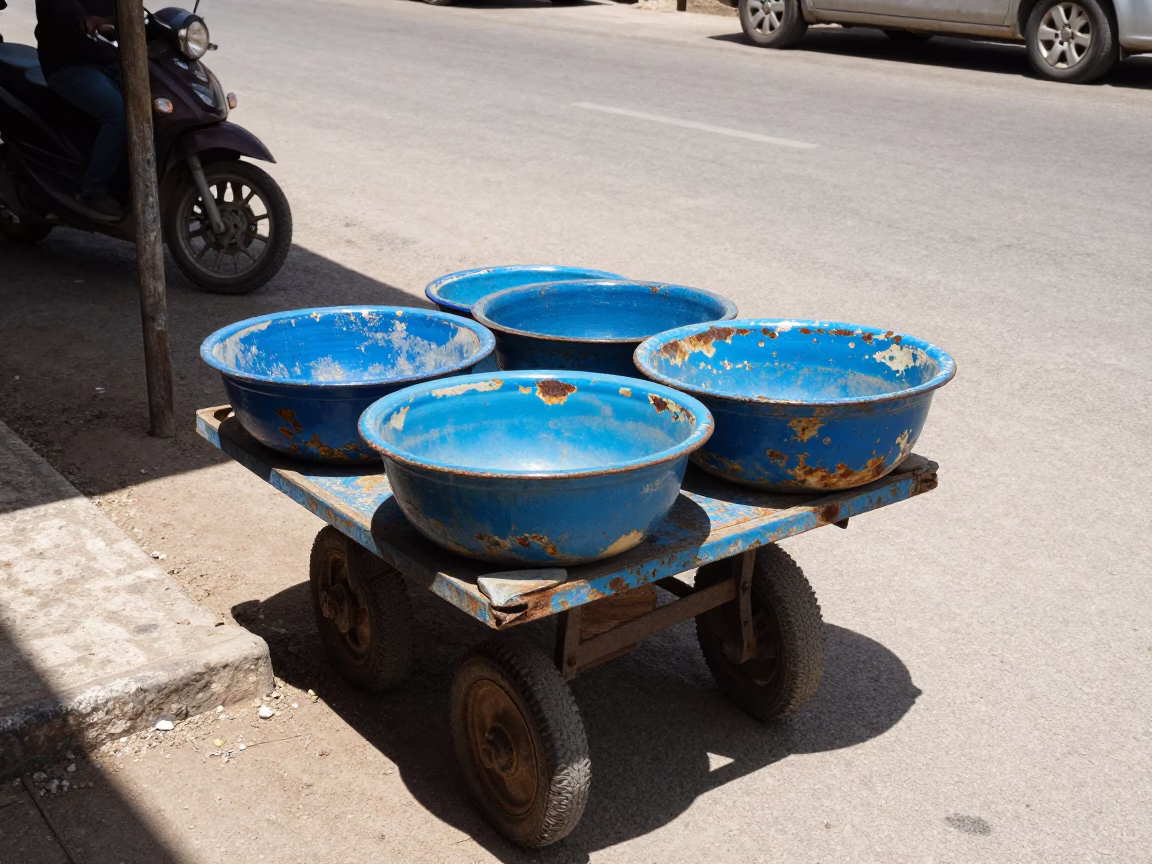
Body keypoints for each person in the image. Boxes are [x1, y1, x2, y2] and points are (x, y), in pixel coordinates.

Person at [35, 0, 124, 219]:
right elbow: (61, 11)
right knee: (118, 115)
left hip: (107, 60)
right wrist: (89, 21)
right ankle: (93, 192)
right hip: (69, 66)